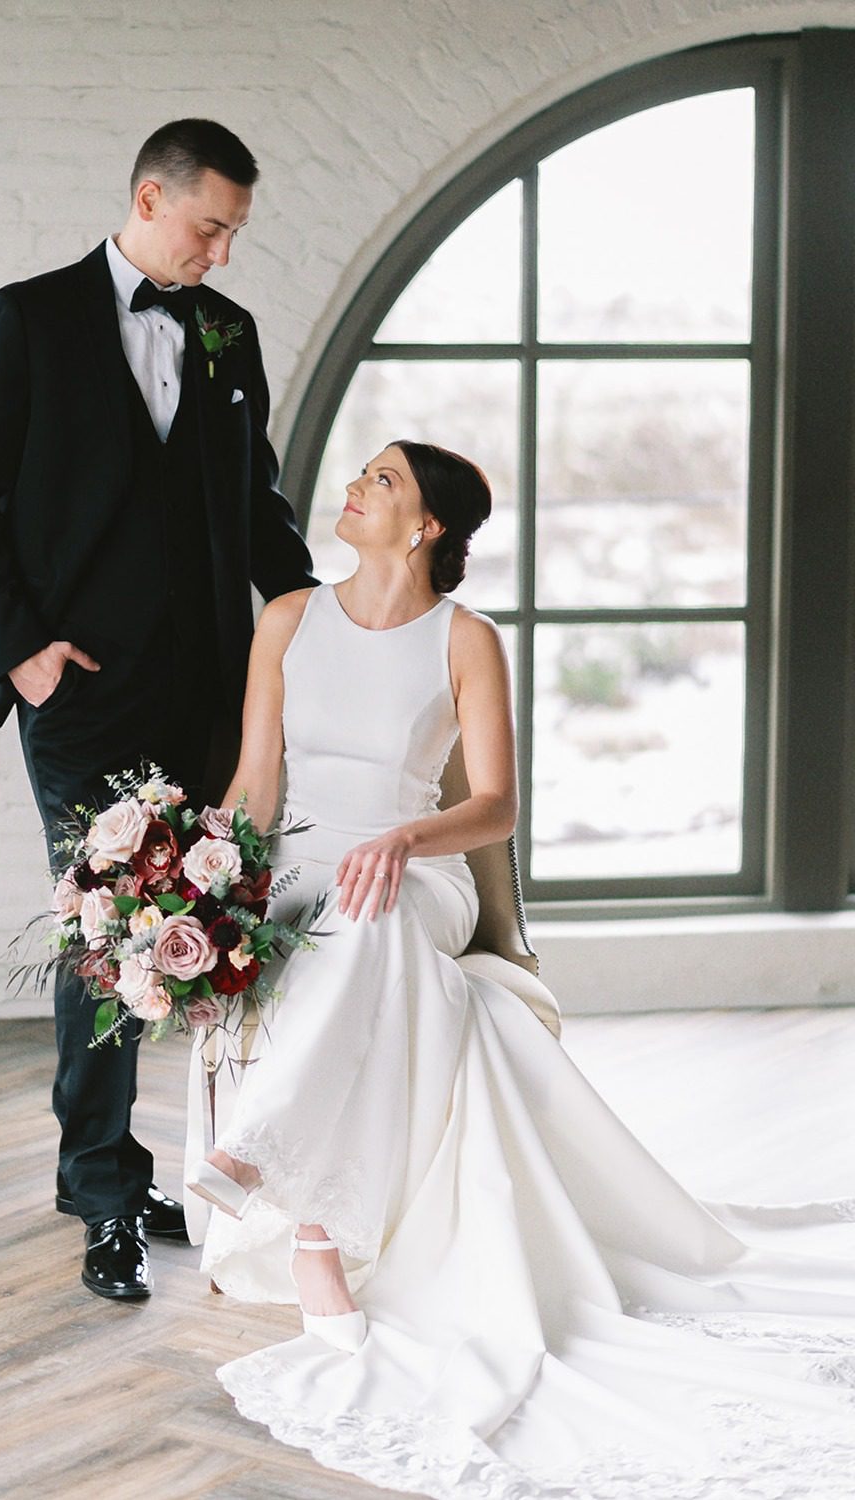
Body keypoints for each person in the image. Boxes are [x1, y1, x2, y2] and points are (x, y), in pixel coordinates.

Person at [183, 440, 855, 1497]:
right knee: (343, 921)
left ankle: (292, 1200)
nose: (354, 487)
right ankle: (298, 1199)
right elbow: (256, 781)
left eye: (382, 481)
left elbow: (494, 805)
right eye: (363, 473)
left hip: (420, 873)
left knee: (375, 916)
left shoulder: (466, 638)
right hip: (304, 874)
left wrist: (404, 839)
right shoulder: (290, 620)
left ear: (426, 527)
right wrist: (200, 886)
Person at [0, 118, 317, 1305]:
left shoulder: (227, 330)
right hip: (79, 691)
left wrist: (325, 615)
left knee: (197, 933)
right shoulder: (27, 317)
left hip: (206, 686)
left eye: (234, 234)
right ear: (150, 199)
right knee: (111, 937)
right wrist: (24, 657)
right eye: (209, 227)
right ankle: (106, 1190)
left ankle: (146, 1167)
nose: (221, 253)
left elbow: (252, 502)